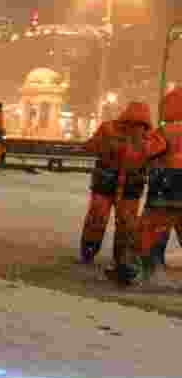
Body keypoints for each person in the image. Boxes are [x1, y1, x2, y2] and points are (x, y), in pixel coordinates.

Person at [79, 101, 165, 278]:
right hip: (126, 187)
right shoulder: (150, 138)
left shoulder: (109, 129)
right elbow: (156, 156)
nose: (136, 128)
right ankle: (118, 257)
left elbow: (90, 146)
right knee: (124, 223)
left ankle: (91, 249)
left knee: (100, 218)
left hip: (109, 183)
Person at [127, 87, 182, 284]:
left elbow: (147, 151)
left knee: (154, 228)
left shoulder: (164, 131)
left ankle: (150, 268)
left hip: (165, 186)